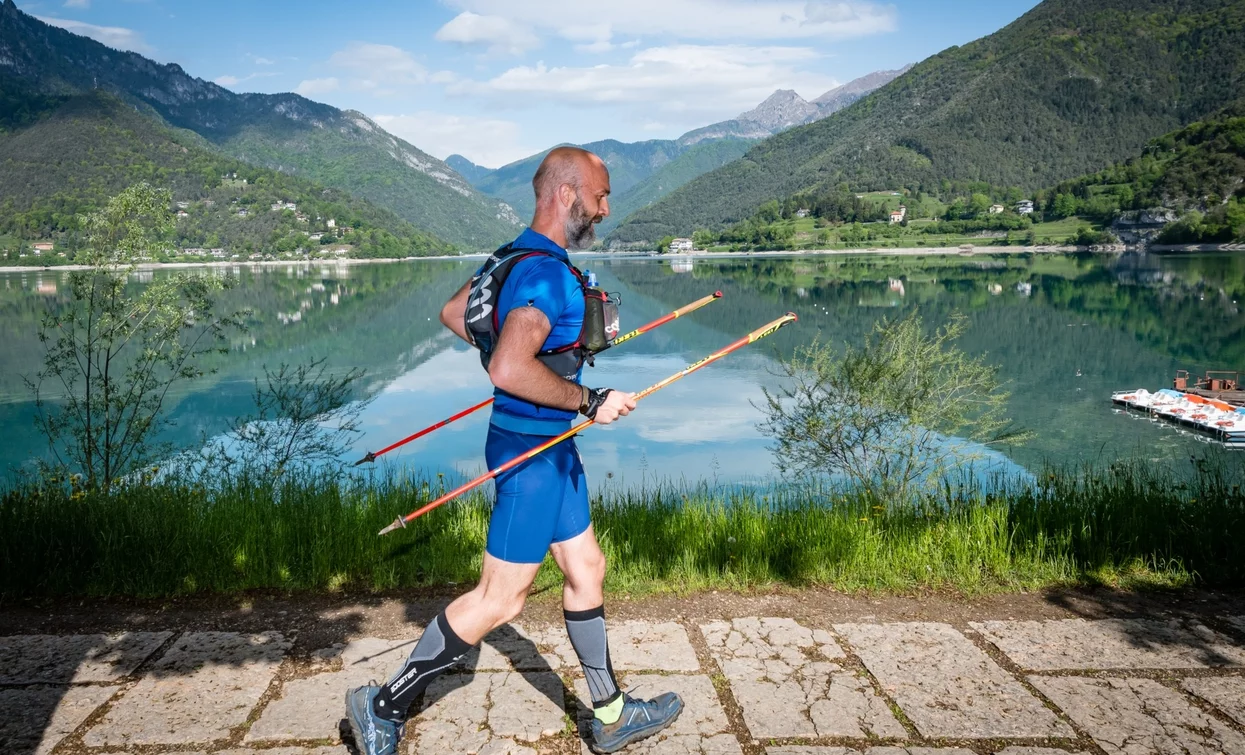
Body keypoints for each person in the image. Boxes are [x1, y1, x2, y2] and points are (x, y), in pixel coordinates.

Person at [345, 146, 683, 755]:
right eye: (601, 196)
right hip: (532, 454)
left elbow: (455, 314)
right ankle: (382, 704)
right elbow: (506, 367)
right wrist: (586, 397)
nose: (605, 209)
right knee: (501, 598)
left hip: (550, 448)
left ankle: (609, 714)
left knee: (586, 569)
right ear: (567, 193)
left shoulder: (513, 256)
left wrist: (552, 357)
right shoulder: (548, 273)